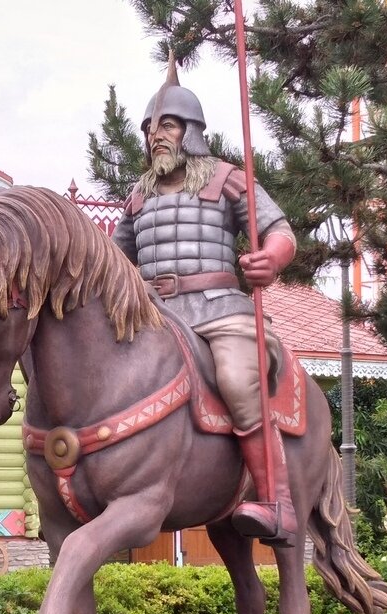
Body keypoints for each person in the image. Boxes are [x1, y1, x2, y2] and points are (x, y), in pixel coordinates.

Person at [111, 62, 298, 548]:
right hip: (154, 316)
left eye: (167, 126)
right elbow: (112, 261)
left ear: (190, 131)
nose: (156, 136)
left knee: (238, 379)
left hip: (219, 309)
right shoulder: (138, 197)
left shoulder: (227, 179)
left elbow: (280, 232)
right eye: (151, 128)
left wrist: (269, 260)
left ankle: (277, 502)